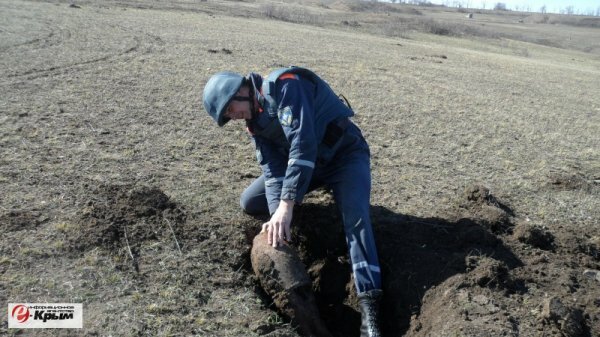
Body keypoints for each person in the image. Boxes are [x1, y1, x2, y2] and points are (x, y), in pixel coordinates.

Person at [203, 66, 383, 337]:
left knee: (355, 217)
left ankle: (371, 307)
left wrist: (288, 205)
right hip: (310, 167)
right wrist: (278, 216)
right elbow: (273, 171)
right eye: (228, 116)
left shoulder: (286, 86)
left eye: (230, 109)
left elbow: (303, 144)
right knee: (250, 201)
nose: (234, 117)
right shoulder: (255, 123)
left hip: (345, 156)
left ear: (241, 90)